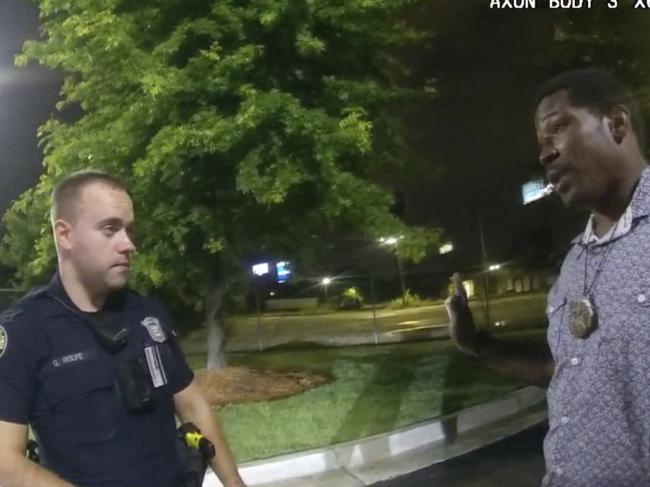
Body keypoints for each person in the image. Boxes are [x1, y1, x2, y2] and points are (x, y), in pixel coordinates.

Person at [446, 67, 650, 487]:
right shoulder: (575, 262)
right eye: (541, 143)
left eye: (557, 128)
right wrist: (477, 344)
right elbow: (563, 370)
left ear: (616, 123)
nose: (544, 154)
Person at [0, 171, 247, 487]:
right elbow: (6, 464)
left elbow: (191, 404)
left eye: (128, 230)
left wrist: (235, 483)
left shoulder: (147, 315)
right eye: (109, 229)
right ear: (65, 235)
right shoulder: (23, 331)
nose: (128, 244)